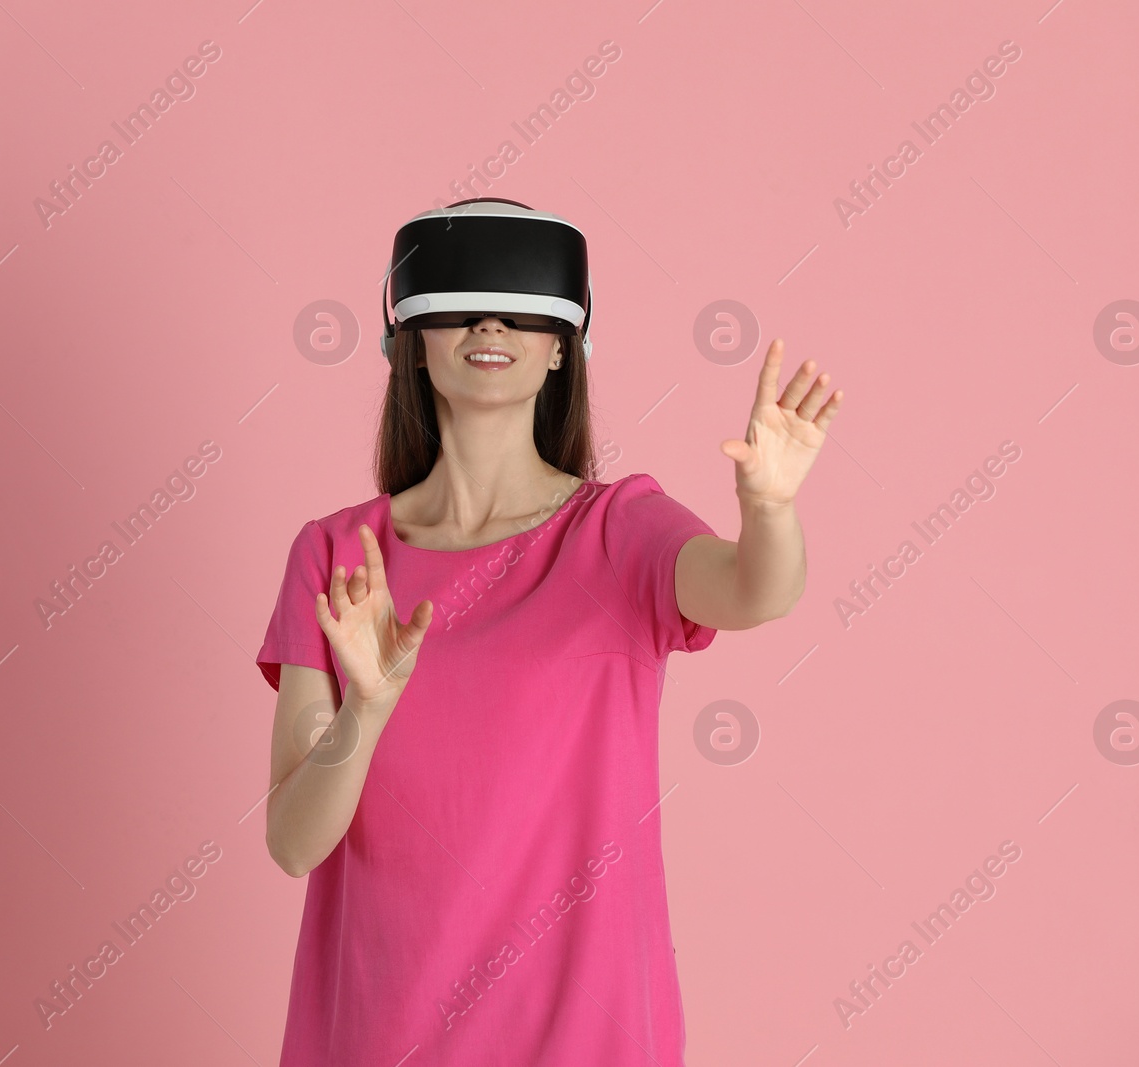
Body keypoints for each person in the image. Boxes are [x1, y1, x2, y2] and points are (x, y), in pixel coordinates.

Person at [255, 199, 842, 1066]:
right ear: (408, 333)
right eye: (458, 303)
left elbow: (756, 590)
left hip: (584, 1040)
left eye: (525, 307)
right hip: (382, 1037)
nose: (491, 322)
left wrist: (768, 510)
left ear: (566, 341)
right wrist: (366, 710)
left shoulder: (619, 532)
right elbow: (293, 842)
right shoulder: (339, 555)